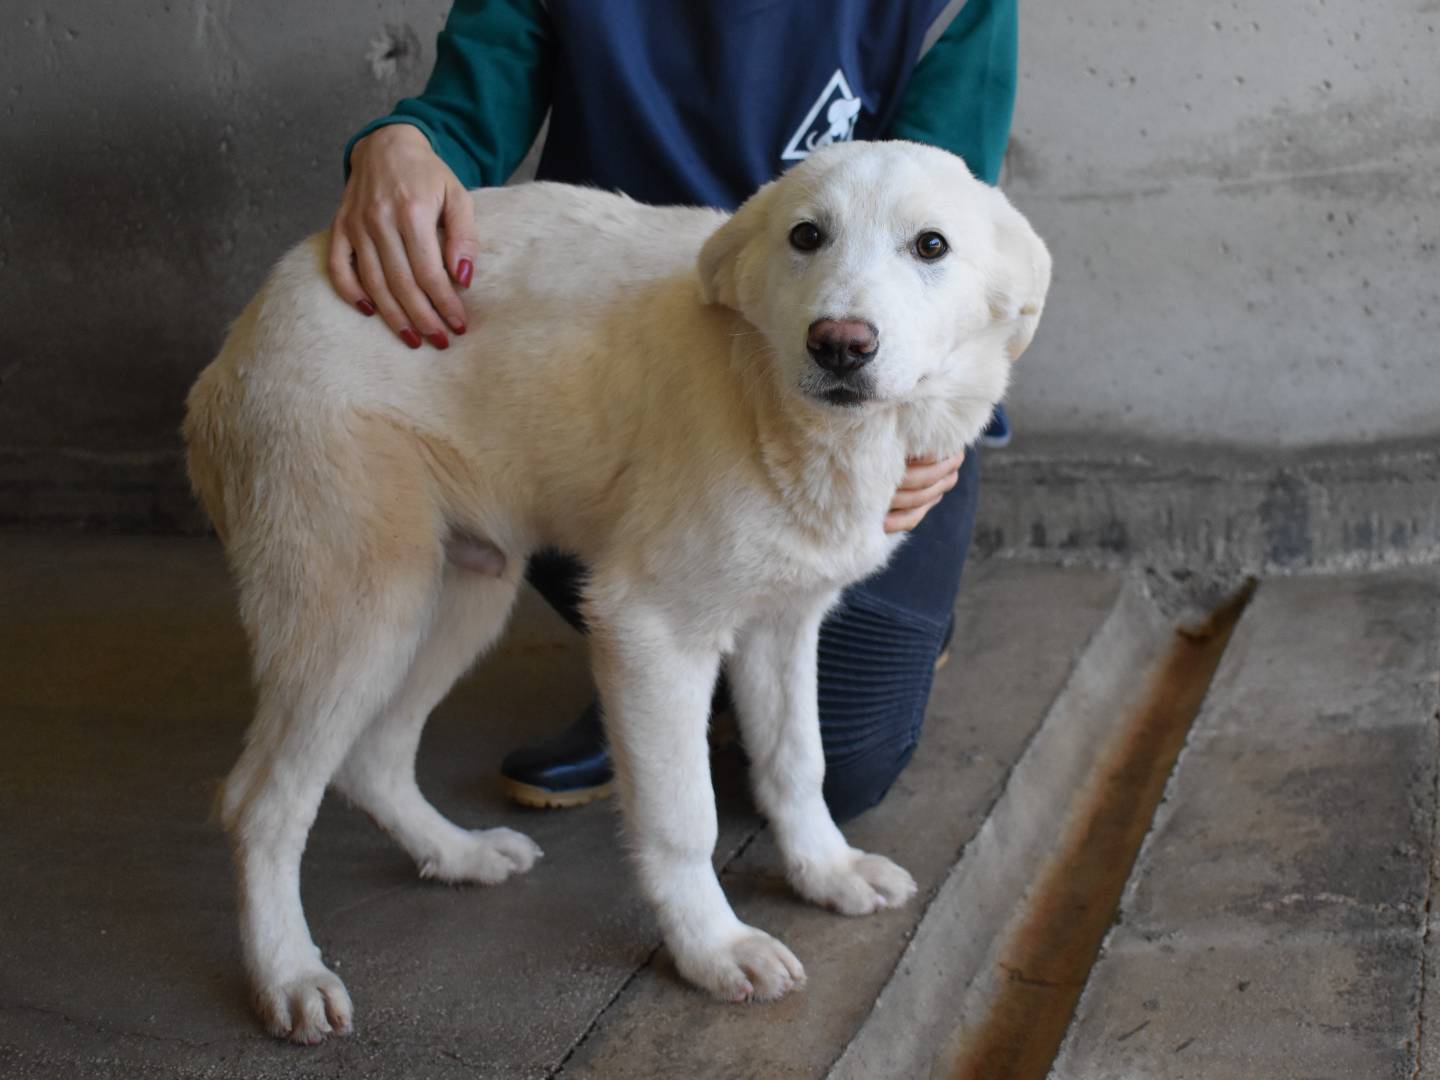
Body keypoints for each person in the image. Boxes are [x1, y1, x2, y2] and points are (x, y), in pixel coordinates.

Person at [330, 0, 1018, 822]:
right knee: (648, 612)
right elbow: (465, 127)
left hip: (851, 392)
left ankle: (699, 660)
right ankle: (660, 660)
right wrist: (405, 145)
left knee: (846, 767)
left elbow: (953, 221)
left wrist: (929, 440)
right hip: (634, 365)